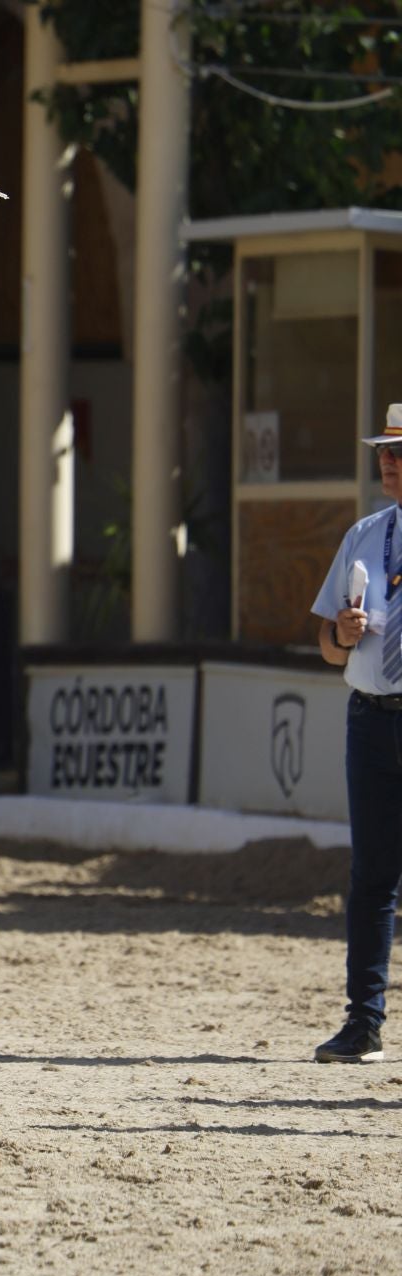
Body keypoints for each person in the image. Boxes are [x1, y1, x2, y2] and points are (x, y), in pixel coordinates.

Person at [311, 402, 402, 1064]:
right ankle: (363, 1022)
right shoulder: (365, 533)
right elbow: (325, 642)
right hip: (370, 718)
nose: (389, 461)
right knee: (371, 875)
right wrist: (340, 635)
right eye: (385, 451)